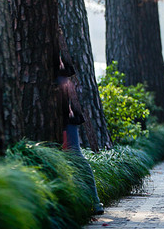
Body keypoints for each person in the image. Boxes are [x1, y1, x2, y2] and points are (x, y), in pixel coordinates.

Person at [58, 60, 105, 216]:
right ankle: (84, 202)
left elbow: (65, 76)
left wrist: (69, 109)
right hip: (61, 114)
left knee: (75, 156)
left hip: (65, 116)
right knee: (71, 157)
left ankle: (93, 201)